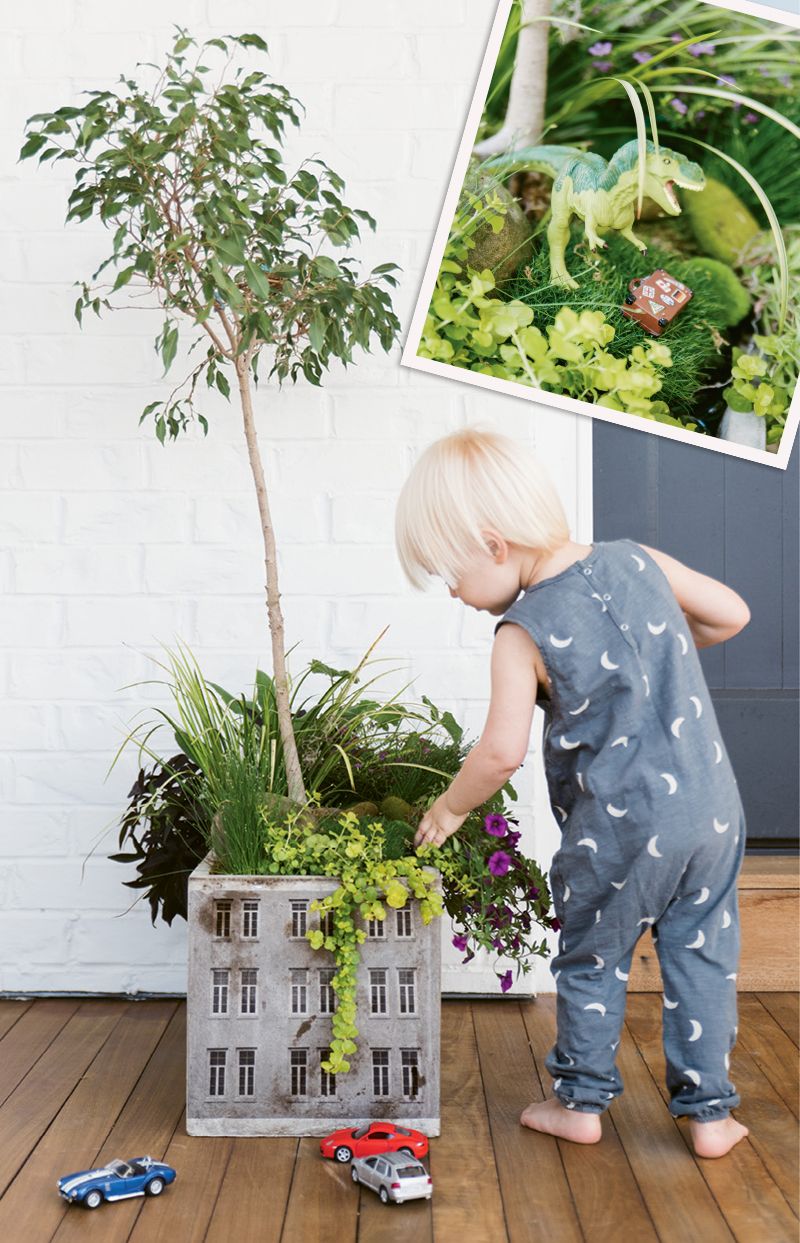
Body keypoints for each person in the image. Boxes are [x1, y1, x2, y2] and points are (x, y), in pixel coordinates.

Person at [394, 427, 751, 1160]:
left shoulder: (520, 633)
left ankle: (579, 1104)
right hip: (712, 813)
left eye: (449, 573)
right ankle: (711, 1117)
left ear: (493, 545)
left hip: (620, 831)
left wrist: (451, 807)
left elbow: (500, 752)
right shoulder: (637, 558)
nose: (453, 592)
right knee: (703, 956)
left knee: (593, 957)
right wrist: (653, 654)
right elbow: (731, 614)